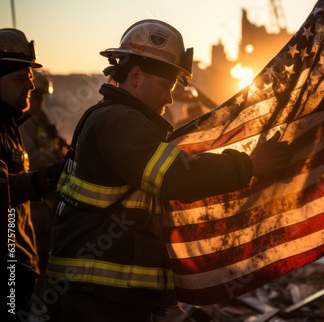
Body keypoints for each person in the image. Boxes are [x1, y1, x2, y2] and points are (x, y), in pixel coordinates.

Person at [46, 19, 293, 322]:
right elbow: (177, 175)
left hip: (99, 295)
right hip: (99, 299)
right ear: (135, 76)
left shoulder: (110, 118)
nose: (169, 98)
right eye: (165, 85)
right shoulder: (121, 121)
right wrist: (249, 165)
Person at [0, 28, 62, 321]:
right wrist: (48, 178)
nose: (30, 84)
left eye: (30, 76)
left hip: (20, 265)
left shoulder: (12, 127)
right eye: (20, 78)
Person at [19, 69, 68, 300]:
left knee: (48, 256)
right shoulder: (23, 123)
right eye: (37, 98)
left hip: (47, 201)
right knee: (34, 258)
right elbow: (29, 158)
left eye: (41, 98)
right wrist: (59, 160)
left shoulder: (42, 121)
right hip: (32, 199)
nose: (39, 103)